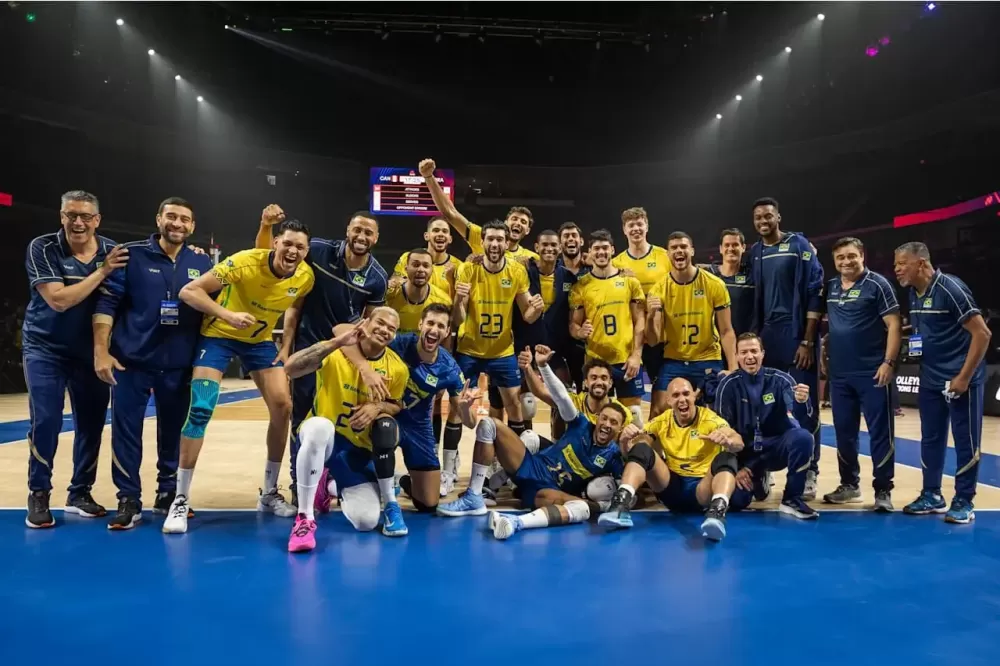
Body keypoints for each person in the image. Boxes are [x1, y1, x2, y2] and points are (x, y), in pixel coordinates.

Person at [162, 219, 315, 533]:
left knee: (283, 407)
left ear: (306, 250)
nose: (292, 250)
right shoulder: (244, 262)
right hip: (218, 335)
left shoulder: (305, 277)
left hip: (259, 342)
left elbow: (295, 307)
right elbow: (189, 291)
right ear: (275, 243)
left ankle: (269, 493)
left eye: (299, 246)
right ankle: (180, 499)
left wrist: (286, 344)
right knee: (201, 407)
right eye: (287, 243)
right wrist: (228, 315)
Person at [92, 197, 214, 530]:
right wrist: (101, 350)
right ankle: (128, 498)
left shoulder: (201, 261)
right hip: (131, 361)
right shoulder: (130, 255)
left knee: (174, 432)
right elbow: (106, 305)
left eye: (185, 219)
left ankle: (168, 492)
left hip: (179, 364)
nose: (177, 224)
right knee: (126, 432)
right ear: (158, 219)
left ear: (192, 226)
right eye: (171, 216)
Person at [255, 207, 389, 503]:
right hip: (308, 347)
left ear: (376, 238)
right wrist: (286, 345)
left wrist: (365, 365)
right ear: (348, 230)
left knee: (335, 418)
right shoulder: (316, 250)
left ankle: (329, 477)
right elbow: (293, 298)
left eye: (368, 232)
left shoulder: (377, 277)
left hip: (343, 356)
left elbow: (367, 326)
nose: (361, 236)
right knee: (300, 416)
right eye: (357, 229)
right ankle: (298, 481)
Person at [438, 344, 629, 541]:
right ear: (597, 419)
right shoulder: (581, 423)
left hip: (549, 491)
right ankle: (476, 495)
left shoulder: (614, 455)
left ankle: (514, 523)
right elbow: (561, 397)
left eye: (613, 422)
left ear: (620, 428)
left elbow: (629, 489)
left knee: (581, 508)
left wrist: (608, 503)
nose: (607, 424)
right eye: (604, 419)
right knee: (489, 424)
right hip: (532, 465)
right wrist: (543, 366)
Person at [22, 190, 126, 528]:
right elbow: (59, 300)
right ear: (61, 216)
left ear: (97, 220)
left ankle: (80, 492)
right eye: (71, 215)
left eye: (85, 216)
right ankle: (39, 492)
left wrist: (195, 252)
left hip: (90, 352)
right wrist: (102, 272)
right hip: (45, 349)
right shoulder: (42, 248)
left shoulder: (113, 251)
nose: (77, 222)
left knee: (92, 424)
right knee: (47, 420)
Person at [281, 309, 411, 552]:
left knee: (366, 522)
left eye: (391, 329)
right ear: (366, 323)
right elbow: (291, 368)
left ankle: (328, 485)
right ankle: (305, 518)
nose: (384, 330)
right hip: (325, 441)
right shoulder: (338, 351)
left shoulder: (397, 369)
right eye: (380, 323)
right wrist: (335, 342)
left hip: (356, 451)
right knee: (319, 427)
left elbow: (395, 404)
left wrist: (377, 407)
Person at [894, 242, 990, 523]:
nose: (896, 269)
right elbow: (921, 332)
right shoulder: (913, 293)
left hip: (960, 379)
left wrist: (963, 377)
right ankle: (931, 495)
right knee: (931, 439)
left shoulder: (950, 288)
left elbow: (982, 334)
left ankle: (964, 500)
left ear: (921, 263)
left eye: (902, 263)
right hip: (930, 379)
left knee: (965, 441)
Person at [444, 220, 544, 472]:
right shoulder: (468, 269)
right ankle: (448, 468)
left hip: (502, 351)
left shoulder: (516, 272)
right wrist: (459, 299)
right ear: (483, 242)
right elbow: (457, 320)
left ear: (507, 243)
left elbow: (527, 315)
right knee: (457, 407)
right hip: (469, 350)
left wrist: (536, 309)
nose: (495, 244)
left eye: (500, 239)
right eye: (490, 239)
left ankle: (517, 466)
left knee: (515, 406)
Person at [599, 377, 746, 541]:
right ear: (668, 400)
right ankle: (620, 505)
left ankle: (717, 514)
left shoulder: (711, 419)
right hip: (671, 489)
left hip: (702, 491)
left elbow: (738, 442)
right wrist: (625, 442)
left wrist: (729, 442)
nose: (682, 399)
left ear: (694, 396)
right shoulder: (662, 421)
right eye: (676, 395)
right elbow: (637, 454)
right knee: (641, 449)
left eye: (686, 394)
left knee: (727, 458)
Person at [747, 198, 824, 499]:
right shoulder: (756, 252)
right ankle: (765, 466)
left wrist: (807, 340)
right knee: (765, 406)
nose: (763, 221)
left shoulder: (798, 245)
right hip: (767, 336)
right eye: (758, 217)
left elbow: (814, 292)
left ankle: (809, 470)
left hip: (796, 335)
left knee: (803, 405)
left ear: (778, 217)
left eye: (768, 216)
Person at [821, 237, 900, 511]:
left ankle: (883, 489)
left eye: (851, 256)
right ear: (834, 261)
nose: (846, 261)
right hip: (840, 375)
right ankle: (849, 485)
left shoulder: (878, 284)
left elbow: (894, 325)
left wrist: (888, 362)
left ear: (862, 255)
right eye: (840, 257)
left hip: (872, 372)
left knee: (880, 433)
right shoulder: (831, 287)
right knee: (844, 433)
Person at [714, 333, 819, 519]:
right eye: (744, 352)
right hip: (745, 453)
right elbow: (723, 433)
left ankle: (791, 499)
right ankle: (758, 478)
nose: (750, 357)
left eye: (754, 351)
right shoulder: (727, 386)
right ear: (736, 356)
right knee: (737, 501)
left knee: (803, 438)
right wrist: (737, 468)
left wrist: (802, 402)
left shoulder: (781, 380)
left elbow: (801, 419)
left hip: (774, 449)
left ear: (763, 354)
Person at [646, 231, 737, 419]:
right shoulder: (659, 289)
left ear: (692, 251)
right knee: (657, 411)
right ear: (668, 254)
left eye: (683, 247)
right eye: (674, 248)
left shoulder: (714, 284)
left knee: (718, 413)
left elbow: (726, 330)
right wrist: (650, 316)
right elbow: (653, 341)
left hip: (708, 358)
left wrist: (734, 368)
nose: (679, 251)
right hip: (675, 360)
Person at [390, 303, 472, 512]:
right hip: (387, 416)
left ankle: (406, 482)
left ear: (447, 332)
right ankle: (375, 480)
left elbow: (470, 423)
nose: (434, 329)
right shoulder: (399, 343)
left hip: (418, 426)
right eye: (430, 323)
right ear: (420, 324)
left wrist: (464, 408)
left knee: (429, 503)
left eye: (441, 326)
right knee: (384, 431)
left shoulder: (449, 368)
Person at [570, 229, 646, 420]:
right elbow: (573, 324)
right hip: (596, 362)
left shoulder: (629, 281)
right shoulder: (581, 286)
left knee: (634, 416)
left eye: (605, 248)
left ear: (612, 250)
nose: (601, 252)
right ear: (590, 253)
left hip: (626, 360)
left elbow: (639, 320)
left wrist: (636, 355)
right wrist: (580, 332)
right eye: (596, 249)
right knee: (595, 418)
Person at [419, 158, 539, 262]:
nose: (518, 223)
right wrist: (429, 177)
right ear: (506, 222)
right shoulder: (483, 236)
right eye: (514, 219)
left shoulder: (531, 259)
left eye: (523, 222)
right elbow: (450, 213)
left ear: (528, 230)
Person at [612, 207, 671, 390]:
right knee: (632, 393)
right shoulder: (617, 263)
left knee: (662, 390)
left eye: (639, 224)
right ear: (624, 229)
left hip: (661, 335)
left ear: (647, 226)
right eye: (631, 225)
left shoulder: (664, 256)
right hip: (632, 337)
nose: (636, 229)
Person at [385, 248, 452, 335]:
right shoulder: (388, 296)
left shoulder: (443, 301)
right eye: (416, 265)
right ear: (406, 269)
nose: (420, 269)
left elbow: (445, 338)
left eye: (426, 266)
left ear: (432, 270)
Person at [557, 222, 590, 394]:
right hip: (557, 341)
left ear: (581, 241)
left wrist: (623, 271)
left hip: (586, 341)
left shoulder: (593, 268)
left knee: (586, 393)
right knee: (560, 397)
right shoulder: (552, 269)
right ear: (559, 243)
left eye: (574, 235)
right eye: (566, 236)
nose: (570, 239)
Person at [392, 217, 462, 295]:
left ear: (450, 239)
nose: (440, 234)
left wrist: (452, 281)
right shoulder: (408, 258)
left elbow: (460, 299)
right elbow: (393, 284)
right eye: (436, 230)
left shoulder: (459, 267)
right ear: (426, 236)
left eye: (445, 231)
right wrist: (398, 282)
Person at [708, 228, 755, 337]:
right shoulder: (709, 276)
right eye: (727, 245)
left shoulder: (752, 277)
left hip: (742, 340)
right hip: (714, 342)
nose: (730, 248)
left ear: (743, 247)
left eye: (735, 245)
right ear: (720, 249)